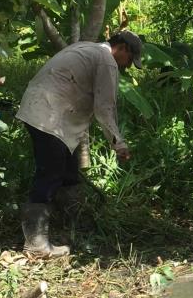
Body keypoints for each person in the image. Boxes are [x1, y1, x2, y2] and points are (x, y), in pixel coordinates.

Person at [14, 31, 142, 257]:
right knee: (50, 173)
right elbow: (105, 108)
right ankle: (36, 245)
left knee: (69, 173)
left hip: (44, 111)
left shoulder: (87, 47)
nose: (128, 65)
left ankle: (70, 228)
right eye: (130, 59)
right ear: (121, 48)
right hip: (49, 116)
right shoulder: (107, 60)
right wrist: (118, 144)